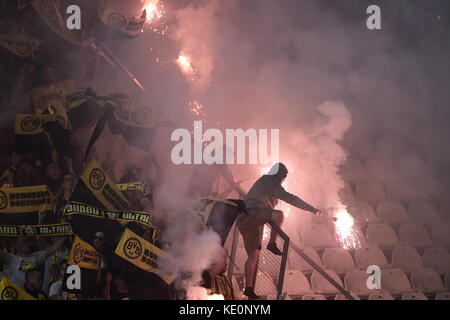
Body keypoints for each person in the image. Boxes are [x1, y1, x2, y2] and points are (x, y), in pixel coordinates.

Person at [236, 163, 322, 299]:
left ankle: (249, 288)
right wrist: (312, 209)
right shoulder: (271, 183)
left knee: (253, 256)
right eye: (284, 176)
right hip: (253, 214)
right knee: (279, 215)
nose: (284, 179)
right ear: (280, 176)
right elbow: (291, 199)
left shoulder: (263, 181)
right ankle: (272, 243)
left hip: (245, 219)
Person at [0, 236, 67, 289]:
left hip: (30, 295)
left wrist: (64, 237)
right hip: (16, 295)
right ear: (16, 245)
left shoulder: (35, 257)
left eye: (28, 241)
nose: (28, 244)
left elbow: (52, 248)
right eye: (24, 242)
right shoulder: (11, 258)